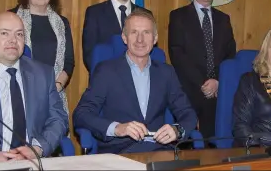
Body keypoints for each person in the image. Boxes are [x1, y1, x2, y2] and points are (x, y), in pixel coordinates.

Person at [73, 9, 197, 154]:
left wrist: (177, 129)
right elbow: (81, 114)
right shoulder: (106, 71)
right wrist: (117, 128)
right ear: (124, 38)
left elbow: (188, 113)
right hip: (120, 152)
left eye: (146, 32)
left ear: (155, 38)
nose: (140, 39)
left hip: (159, 151)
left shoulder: (166, 72)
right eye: (134, 32)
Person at [0, 12, 68, 164]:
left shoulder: (43, 73)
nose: (13, 40)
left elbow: (58, 119)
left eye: (19, 34)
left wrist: (37, 148)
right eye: (4, 33)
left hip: (31, 162)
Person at [168, 0, 236, 138]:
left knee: (213, 145)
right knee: (189, 146)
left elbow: (230, 53)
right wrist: (203, 83)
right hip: (189, 93)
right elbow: (177, 53)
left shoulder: (224, 19)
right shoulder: (178, 16)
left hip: (218, 94)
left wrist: (217, 81)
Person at [9, 0, 74, 115]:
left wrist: (56, 86)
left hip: (53, 94)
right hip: (18, 92)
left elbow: (68, 62)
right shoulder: (11, 17)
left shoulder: (62, 22)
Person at [82, 0, 152, 72]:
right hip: (106, 81)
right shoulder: (95, 13)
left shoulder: (145, 15)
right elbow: (90, 55)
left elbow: (150, 52)